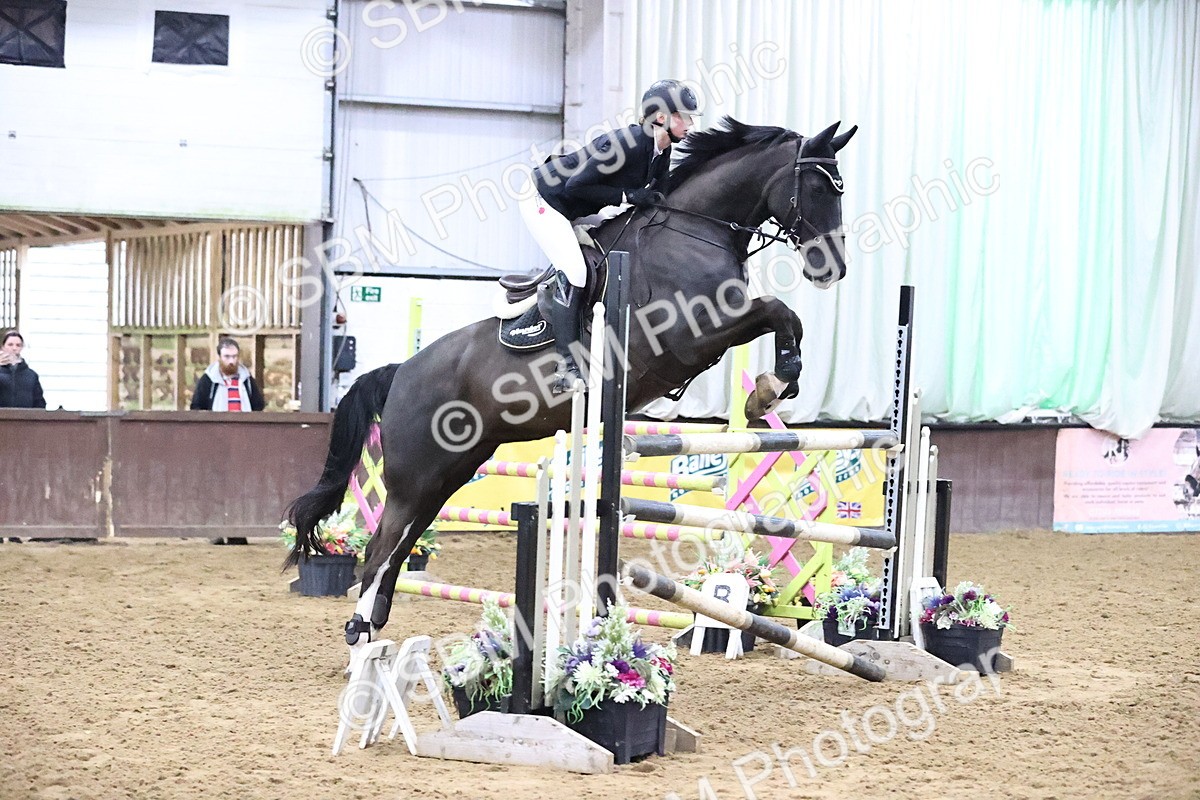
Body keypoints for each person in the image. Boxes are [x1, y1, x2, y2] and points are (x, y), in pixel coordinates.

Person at [521, 79, 701, 393]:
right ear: (660, 117)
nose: (690, 123)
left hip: (579, 204)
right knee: (575, 272)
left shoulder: (662, 149)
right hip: (545, 199)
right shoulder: (629, 142)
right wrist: (627, 196)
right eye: (683, 116)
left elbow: (659, 198)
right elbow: (576, 185)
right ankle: (564, 367)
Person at [190, 337, 266, 412]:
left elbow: (258, 405)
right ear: (219, 357)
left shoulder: (247, 379)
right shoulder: (209, 379)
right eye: (227, 356)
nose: (231, 361)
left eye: (234, 356)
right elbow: (197, 406)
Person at [0, 330, 46, 409]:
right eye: (10, 344)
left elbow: (39, 404)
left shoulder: (31, 375)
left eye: (18, 345)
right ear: (3, 347)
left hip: (24, 419)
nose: (14, 348)